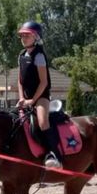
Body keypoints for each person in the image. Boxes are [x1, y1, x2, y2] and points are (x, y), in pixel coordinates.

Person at [16, 21, 62, 169]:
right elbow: (20, 80)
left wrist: (32, 101)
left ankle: (53, 154)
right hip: (27, 98)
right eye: (22, 35)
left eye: (27, 35)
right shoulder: (22, 55)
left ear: (36, 37)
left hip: (41, 97)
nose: (24, 38)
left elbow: (43, 82)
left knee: (42, 121)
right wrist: (22, 98)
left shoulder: (39, 56)